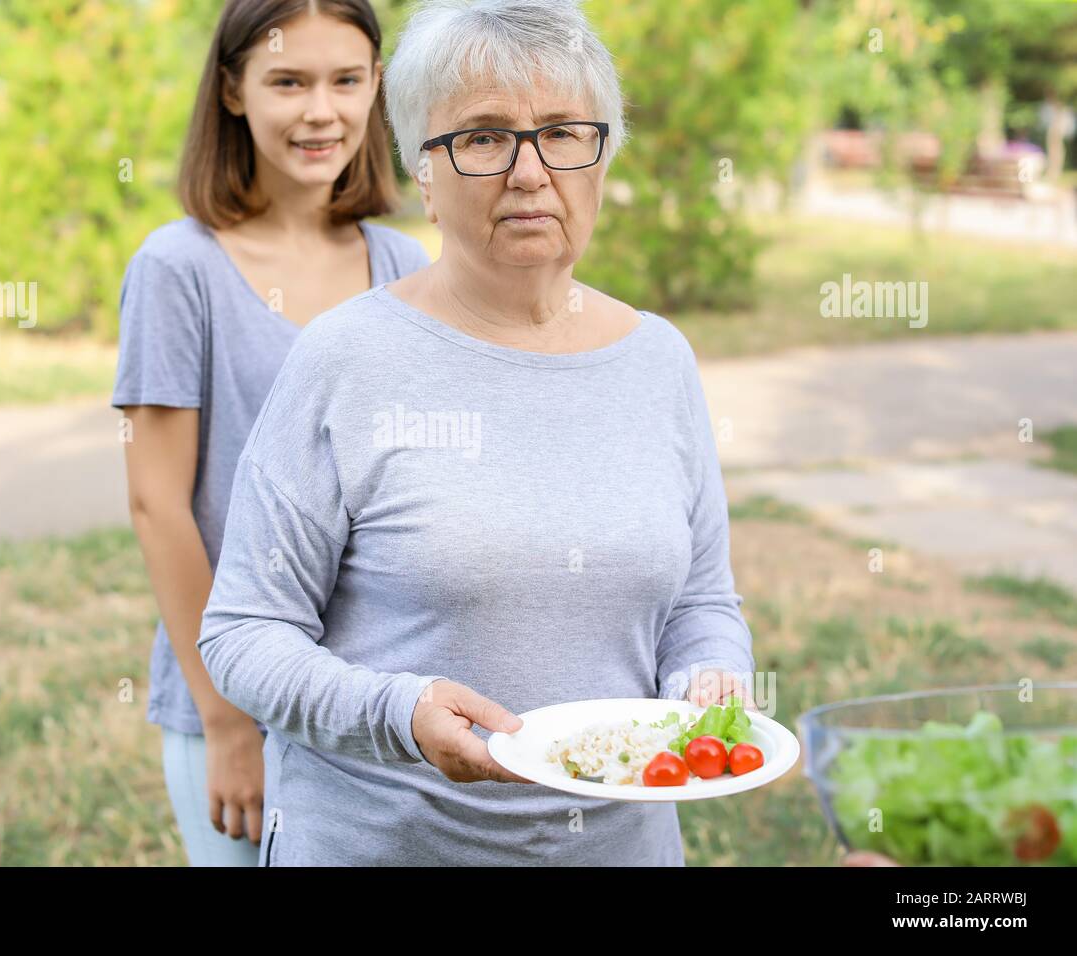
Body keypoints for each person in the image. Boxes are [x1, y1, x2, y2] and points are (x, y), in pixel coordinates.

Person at [198, 0, 756, 866]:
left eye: (565, 132)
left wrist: (707, 682)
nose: (531, 172)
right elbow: (241, 633)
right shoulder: (346, 358)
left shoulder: (660, 361)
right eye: (484, 137)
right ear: (422, 169)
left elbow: (701, 605)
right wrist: (398, 716)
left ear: (604, 156)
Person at [112, 0, 432, 866]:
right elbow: (157, 504)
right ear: (231, 91)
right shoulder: (179, 270)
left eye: (346, 80)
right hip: (239, 706)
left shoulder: (405, 268)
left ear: (376, 92)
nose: (320, 111)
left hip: (372, 703)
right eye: (288, 81)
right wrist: (228, 721)